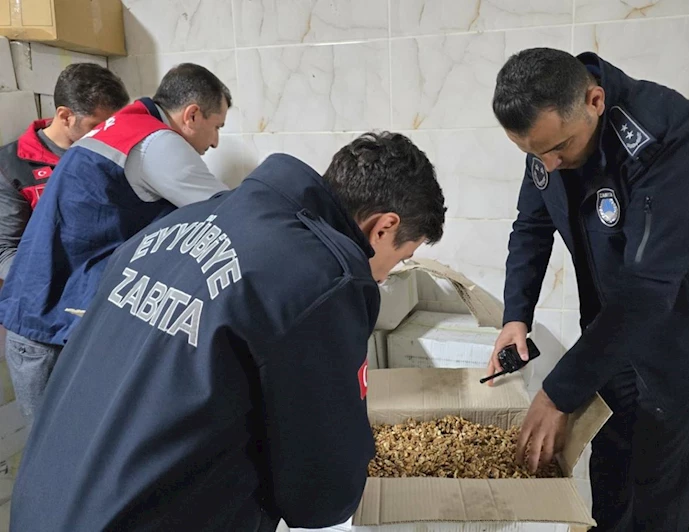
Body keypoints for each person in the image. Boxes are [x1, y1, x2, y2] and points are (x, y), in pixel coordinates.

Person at [9, 131, 447, 532]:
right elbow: (322, 494)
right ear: (383, 227)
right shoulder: (320, 277)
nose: (389, 275)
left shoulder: (177, 224)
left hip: (41, 506)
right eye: (403, 257)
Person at [486, 48, 689, 532]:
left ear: (594, 100)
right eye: (533, 154)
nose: (549, 163)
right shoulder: (549, 138)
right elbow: (531, 226)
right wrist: (515, 317)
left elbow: (649, 288)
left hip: (683, 332)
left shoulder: (669, 135)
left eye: (558, 148)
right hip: (614, 327)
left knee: (654, 493)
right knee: (610, 476)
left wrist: (558, 393)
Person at [0, 63, 232, 423]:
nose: (215, 141)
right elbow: (231, 217)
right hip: (49, 331)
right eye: (216, 126)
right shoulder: (155, 141)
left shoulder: (116, 130)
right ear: (192, 115)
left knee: (64, 455)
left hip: (42, 322)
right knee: (62, 459)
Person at [0, 62, 130, 282]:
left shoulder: (117, 151)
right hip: (54, 289)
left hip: (113, 277)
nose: (107, 135)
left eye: (113, 126)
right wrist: (54, 284)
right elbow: (5, 251)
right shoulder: (12, 166)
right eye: (96, 126)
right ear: (65, 116)